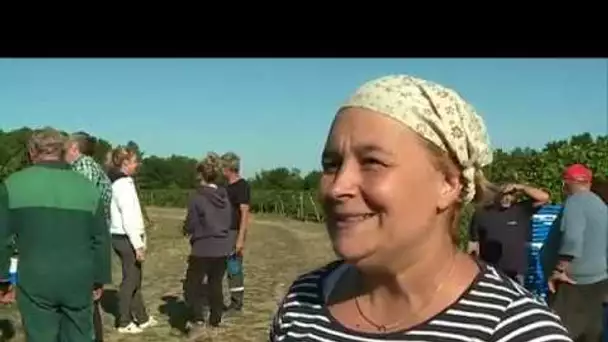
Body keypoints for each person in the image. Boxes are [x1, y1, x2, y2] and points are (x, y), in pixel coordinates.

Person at [269, 75, 571, 342]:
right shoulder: (303, 301)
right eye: (331, 164)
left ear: (448, 184)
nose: (337, 187)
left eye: (372, 162)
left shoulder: (519, 330)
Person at [0, 127, 112, 341]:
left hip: (35, 279)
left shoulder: (12, 185)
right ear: (63, 151)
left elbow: (1, 238)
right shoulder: (88, 188)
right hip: (79, 277)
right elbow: (100, 237)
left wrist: (3, 278)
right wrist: (100, 278)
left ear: (32, 151)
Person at [547, 164, 608, 342]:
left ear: (567, 183)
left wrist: (559, 270)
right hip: (598, 280)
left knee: (561, 332)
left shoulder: (575, 202)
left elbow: (573, 240)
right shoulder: (600, 205)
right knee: (591, 333)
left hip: (574, 282)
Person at [65, 131, 112, 342]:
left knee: (82, 302)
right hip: (90, 241)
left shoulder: (83, 168)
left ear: (74, 148)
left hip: (83, 241)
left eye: (65, 147)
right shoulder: (90, 167)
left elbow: (80, 209)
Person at [182, 152, 234, 338]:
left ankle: (197, 318)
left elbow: (192, 223)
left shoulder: (197, 197)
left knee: (192, 285)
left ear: (201, 175)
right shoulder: (224, 197)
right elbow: (228, 220)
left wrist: (186, 229)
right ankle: (215, 319)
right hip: (222, 247)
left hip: (203, 247)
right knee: (215, 284)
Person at [108, 146, 157, 334]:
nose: (138, 165)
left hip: (125, 236)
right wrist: (138, 245)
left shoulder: (122, 183)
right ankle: (124, 321)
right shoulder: (122, 185)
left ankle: (142, 318)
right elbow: (129, 218)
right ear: (125, 163)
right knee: (130, 280)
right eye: (135, 161)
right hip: (126, 238)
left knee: (135, 278)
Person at [467, 183, 550, 283]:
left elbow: (544, 198)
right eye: (504, 194)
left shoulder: (521, 210)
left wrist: (521, 187)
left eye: (511, 195)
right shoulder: (482, 213)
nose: (507, 198)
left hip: (516, 273)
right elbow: (473, 244)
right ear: (496, 194)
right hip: (490, 272)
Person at [221, 152, 251, 314]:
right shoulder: (225, 187)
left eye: (222, 167)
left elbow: (245, 213)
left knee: (234, 267)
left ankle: (236, 302)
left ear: (228, 168)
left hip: (234, 232)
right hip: (223, 232)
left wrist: (240, 239)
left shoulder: (242, 186)